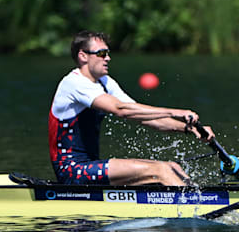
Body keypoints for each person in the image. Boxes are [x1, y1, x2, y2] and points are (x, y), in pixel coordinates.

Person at [48, 31, 215, 186]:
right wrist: (175, 112)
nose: (108, 58)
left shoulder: (105, 81)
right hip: (72, 172)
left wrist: (188, 128)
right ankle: (194, 210)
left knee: (171, 166)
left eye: (108, 53)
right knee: (160, 170)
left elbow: (140, 114)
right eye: (101, 53)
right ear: (83, 56)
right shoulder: (74, 83)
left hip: (91, 167)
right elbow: (120, 109)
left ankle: (205, 202)